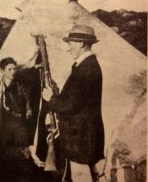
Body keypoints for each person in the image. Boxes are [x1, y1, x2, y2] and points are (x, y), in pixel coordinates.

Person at [42, 24, 105, 182]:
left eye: (70, 43)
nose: (68, 48)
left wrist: (51, 98)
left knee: (81, 177)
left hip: (81, 139)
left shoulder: (87, 69)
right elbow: (75, 99)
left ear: (81, 44)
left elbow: (71, 105)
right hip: (81, 137)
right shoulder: (85, 66)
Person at [0, 57, 33, 182]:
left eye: (14, 69)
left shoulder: (19, 85)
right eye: (9, 69)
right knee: (5, 153)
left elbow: (27, 100)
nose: (13, 72)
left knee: (23, 151)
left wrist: (28, 109)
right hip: (4, 123)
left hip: (19, 122)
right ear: (2, 71)